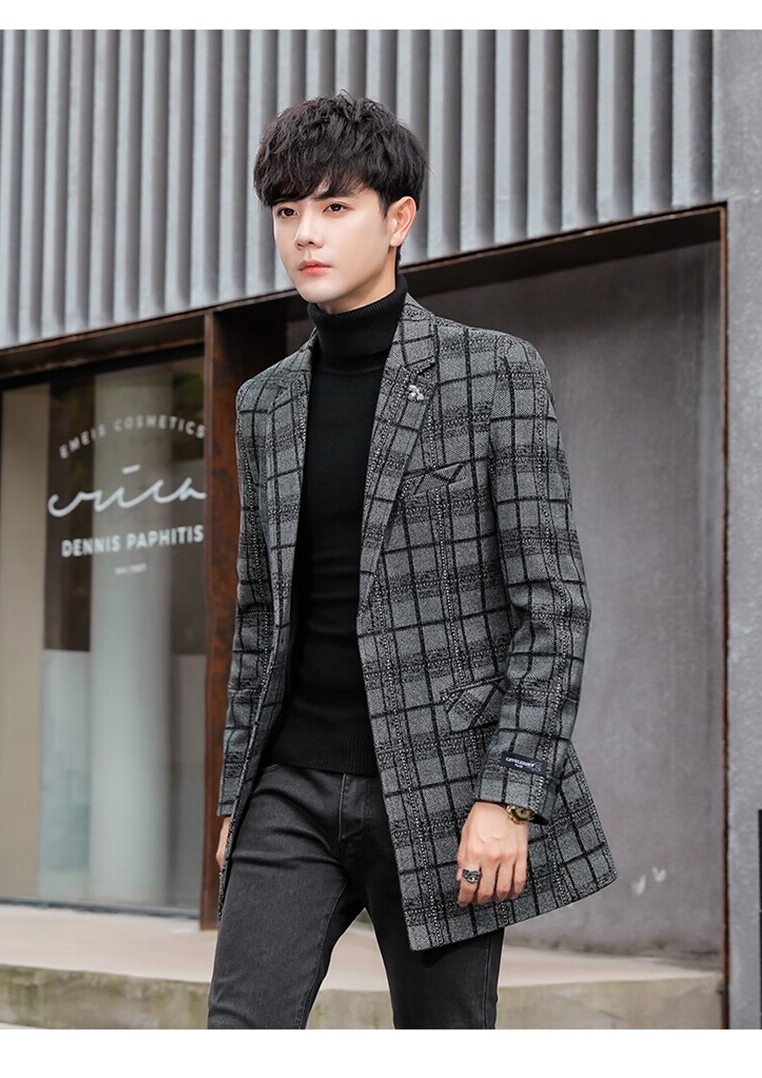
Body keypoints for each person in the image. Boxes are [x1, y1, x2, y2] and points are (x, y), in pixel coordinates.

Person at [207, 90, 617, 1030]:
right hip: (289, 788)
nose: (306, 233)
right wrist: (238, 793)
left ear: (398, 220)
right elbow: (261, 615)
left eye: (334, 205)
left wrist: (511, 795)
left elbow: (553, 604)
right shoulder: (265, 402)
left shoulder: (494, 373)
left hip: (442, 789)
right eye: (287, 210)